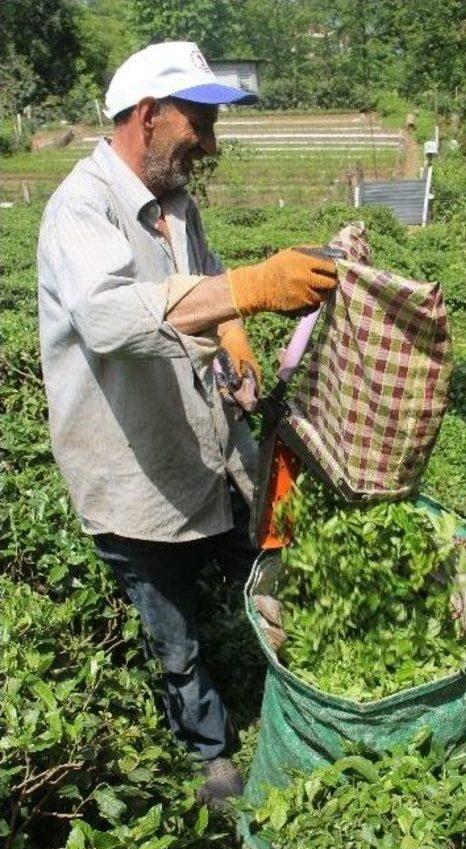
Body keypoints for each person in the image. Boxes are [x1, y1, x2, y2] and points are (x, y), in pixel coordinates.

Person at [37, 41, 338, 808]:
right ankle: (210, 754)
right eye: (198, 124)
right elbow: (107, 320)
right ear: (146, 116)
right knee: (175, 634)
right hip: (133, 476)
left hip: (205, 450)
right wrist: (254, 285)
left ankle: (296, 695)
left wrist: (233, 330)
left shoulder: (175, 203)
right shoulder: (82, 207)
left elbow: (199, 281)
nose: (210, 143)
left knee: (262, 572)